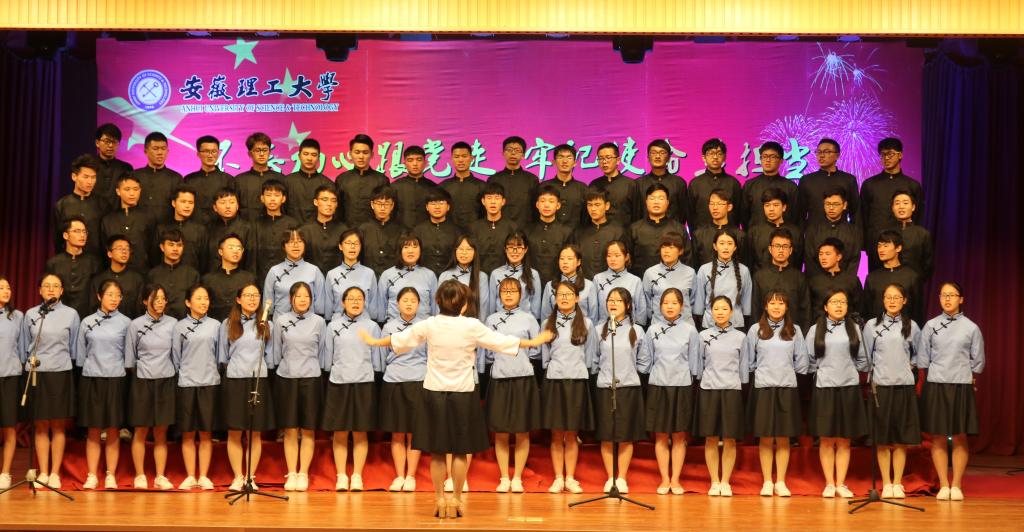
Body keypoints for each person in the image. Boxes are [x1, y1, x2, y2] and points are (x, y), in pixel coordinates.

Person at [359, 280, 554, 518]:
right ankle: (457, 499)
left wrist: (374, 342)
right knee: (460, 451)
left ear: (437, 301)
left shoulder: (430, 324)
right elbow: (501, 342)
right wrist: (533, 342)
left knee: (438, 452)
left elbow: (400, 339)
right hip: (463, 394)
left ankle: (440, 499)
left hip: (434, 393)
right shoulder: (471, 325)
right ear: (463, 305)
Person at [918, 282, 985, 501]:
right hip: (936, 384)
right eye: (943, 295)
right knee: (938, 436)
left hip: (961, 385)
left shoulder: (971, 327)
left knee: (959, 436)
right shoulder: (930, 325)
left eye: (952, 295)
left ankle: (956, 485)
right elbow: (923, 357)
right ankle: (944, 484)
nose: (947, 299)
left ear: (961, 299)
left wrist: (967, 373)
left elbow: (978, 360)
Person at [742, 291, 809, 497]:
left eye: (781, 303)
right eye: (772, 303)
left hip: (786, 387)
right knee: (765, 438)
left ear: (787, 307)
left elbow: (802, 361)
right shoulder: (755, 329)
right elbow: (749, 361)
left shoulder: (795, 330)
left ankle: (780, 481)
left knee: (783, 438)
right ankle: (767, 481)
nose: (776, 307)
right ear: (765, 306)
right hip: (763, 387)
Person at [806, 289, 869, 498]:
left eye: (843, 302)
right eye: (834, 302)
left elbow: (863, 359)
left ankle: (841, 483)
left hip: (849, 387)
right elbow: (809, 359)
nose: (839, 305)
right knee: (826, 438)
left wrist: (850, 371)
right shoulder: (816, 329)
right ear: (825, 307)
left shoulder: (854, 328)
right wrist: (823, 372)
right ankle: (829, 484)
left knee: (844, 439)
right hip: (824, 387)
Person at [21, 273, 81, 490]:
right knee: (40, 425)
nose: (51, 289)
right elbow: (24, 345)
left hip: (60, 372)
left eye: (56, 286)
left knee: (57, 425)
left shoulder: (71, 314)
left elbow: (75, 347)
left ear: (62, 291)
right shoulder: (31, 314)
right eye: (47, 285)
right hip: (37, 372)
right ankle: (43, 472)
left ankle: (55, 473)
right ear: (39, 290)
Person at [863, 283, 921, 499]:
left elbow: (919, 354)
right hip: (880, 387)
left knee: (900, 439)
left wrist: (909, 366)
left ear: (904, 300)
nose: (892, 301)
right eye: (888, 297)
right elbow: (866, 355)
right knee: (882, 439)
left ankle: (897, 482)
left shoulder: (912, 326)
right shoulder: (871, 325)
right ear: (883, 300)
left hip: (903, 386)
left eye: (897, 297)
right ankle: (886, 483)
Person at [483, 278, 542, 493]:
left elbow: (536, 350)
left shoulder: (528, 319)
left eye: (513, 291)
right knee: (500, 432)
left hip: (523, 379)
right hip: (499, 378)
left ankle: (517, 477)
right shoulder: (491, 319)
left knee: (521, 431)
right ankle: (504, 477)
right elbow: (488, 352)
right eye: (504, 291)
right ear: (499, 295)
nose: (508, 295)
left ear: (521, 295)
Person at [271, 282, 328, 492]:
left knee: (308, 429)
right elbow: (276, 351)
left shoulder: (319, 322)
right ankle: (292, 472)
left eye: (307, 296)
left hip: (311, 378)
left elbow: (323, 352)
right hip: (287, 377)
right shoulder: (280, 321)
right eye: (299, 296)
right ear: (291, 299)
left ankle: (303, 473)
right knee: (290, 429)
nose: (303, 299)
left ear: (311, 299)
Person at [541, 281, 597, 494]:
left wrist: (582, 370)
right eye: (560, 295)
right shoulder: (547, 322)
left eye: (568, 294)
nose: (564, 298)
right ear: (555, 299)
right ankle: (558, 478)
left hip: (577, 380)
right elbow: (545, 355)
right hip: (555, 380)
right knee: (557, 434)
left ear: (577, 298)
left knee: (572, 434)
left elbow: (590, 355)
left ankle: (571, 478)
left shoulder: (587, 323)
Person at [323, 287, 381, 492]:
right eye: (351, 299)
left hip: (364, 382)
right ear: (343, 302)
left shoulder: (372, 326)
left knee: (359, 431)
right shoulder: (333, 326)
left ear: (365, 302)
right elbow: (327, 357)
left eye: (359, 299)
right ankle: (341, 476)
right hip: (338, 382)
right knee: (339, 431)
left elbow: (377, 359)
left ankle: (357, 475)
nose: (355, 302)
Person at [218, 283, 275, 492]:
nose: (252, 299)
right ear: (238, 299)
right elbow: (223, 356)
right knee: (234, 432)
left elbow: (271, 355)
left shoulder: (267, 324)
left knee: (254, 433)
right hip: (235, 379)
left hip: (258, 379)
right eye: (248, 295)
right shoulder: (227, 323)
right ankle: (237, 477)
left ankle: (250, 477)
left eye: (256, 295)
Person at [75, 280, 131, 490]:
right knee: (93, 429)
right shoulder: (87, 321)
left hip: (116, 378)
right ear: (99, 296)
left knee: (113, 429)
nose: (114, 299)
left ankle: (110, 474)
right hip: (92, 378)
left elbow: (129, 355)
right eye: (110, 294)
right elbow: (80, 355)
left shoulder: (126, 322)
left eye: (118, 295)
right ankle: (92, 475)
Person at [594, 288, 650, 494]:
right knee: (607, 435)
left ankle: (622, 478)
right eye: (610, 300)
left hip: (628, 388)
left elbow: (644, 361)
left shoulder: (637, 330)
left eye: (618, 300)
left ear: (627, 305)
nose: (613, 303)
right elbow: (593, 359)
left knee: (626, 435)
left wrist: (629, 373)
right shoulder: (598, 329)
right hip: (605, 387)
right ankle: (610, 477)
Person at [645, 288, 700, 495]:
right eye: (666, 302)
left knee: (678, 435)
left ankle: (675, 479)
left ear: (682, 306)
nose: (670, 306)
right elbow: (648, 360)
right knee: (661, 435)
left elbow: (694, 361)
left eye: (674, 303)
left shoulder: (690, 330)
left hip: (681, 385)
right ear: (660, 306)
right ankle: (664, 479)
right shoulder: (652, 330)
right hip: (658, 384)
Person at [126, 284, 178, 490]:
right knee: (140, 430)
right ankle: (140, 475)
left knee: (161, 432)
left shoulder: (173, 323)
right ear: (144, 301)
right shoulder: (135, 324)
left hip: (166, 380)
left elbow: (176, 354)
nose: (159, 302)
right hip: (142, 380)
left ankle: (160, 476)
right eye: (155, 298)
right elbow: (130, 358)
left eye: (163, 298)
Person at [695, 296, 747, 497]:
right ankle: (714, 481)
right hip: (709, 389)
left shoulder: (740, 337)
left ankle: (725, 481)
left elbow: (744, 365)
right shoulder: (703, 335)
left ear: (731, 312)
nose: (720, 312)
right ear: (711, 312)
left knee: (729, 439)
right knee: (711, 438)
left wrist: (740, 383)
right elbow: (699, 363)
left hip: (731, 390)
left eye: (724, 308)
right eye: (716, 308)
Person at [378, 287, 427, 493]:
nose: (409, 304)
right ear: (397, 303)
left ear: (419, 304)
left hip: (418, 380)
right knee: (397, 432)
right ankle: (399, 476)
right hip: (394, 380)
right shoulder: (389, 326)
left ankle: (411, 476)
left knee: (414, 432)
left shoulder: (425, 326)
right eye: (405, 300)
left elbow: (431, 354)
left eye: (413, 301)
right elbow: (381, 355)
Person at [172, 285, 221, 490]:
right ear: (188, 302)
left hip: (209, 382)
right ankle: (191, 475)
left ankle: (204, 476)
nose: (203, 302)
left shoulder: (216, 325)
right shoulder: (179, 326)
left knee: (206, 433)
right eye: (199, 298)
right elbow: (176, 356)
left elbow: (219, 355)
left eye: (206, 298)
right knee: (188, 433)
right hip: (187, 382)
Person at [861, 137, 924, 270]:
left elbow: (918, 216)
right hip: (877, 245)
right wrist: (867, 244)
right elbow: (863, 216)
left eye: (890, 154)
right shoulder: (869, 184)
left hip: (904, 244)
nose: (886, 158)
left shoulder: (912, 185)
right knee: (877, 280)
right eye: (883, 154)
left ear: (900, 155)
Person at [751, 228, 811, 329]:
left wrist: (803, 334)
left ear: (790, 250)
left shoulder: (799, 277)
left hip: (793, 332)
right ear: (770, 249)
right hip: (765, 331)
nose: (781, 250)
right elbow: (755, 309)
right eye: (777, 246)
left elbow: (806, 310)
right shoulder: (759, 276)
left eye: (785, 246)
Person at [693, 229, 752, 330]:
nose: (726, 247)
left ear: (735, 247)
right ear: (715, 246)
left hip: (736, 325)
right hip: (710, 325)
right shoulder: (704, 270)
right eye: (722, 243)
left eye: (730, 243)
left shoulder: (744, 270)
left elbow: (746, 305)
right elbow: (698, 305)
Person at [53, 154, 106, 260]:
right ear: (74, 177)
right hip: (70, 261)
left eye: (93, 177)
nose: (90, 182)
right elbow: (58, 239)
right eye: (86, 177)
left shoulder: (103, 205)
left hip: (96, 262)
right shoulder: (62, 205)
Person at [376, 233, 438, 322]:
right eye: (406, 247)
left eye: (415, 247)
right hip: (394, 327)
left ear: (420, 250)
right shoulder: (387, 275)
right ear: (399, 251)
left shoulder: (430, 275)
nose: (410, 251)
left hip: (423, 327)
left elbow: (435, 308)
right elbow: (381, 308)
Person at [47, 216, 102, 317]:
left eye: (84, 232)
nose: (82, 235)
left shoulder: (94, 262)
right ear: (65, 235)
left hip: (87, 316)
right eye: (77, 231)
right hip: (59, 315)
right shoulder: (54, 263)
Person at [798, 138, 861, 227]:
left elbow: (855, 212)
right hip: (814, 232)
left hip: (842, 232)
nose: (821, 155)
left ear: (837, 155)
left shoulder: (848, 180)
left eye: (827, 152)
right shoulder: (806, 180)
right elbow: (800, 214)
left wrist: (854, 232)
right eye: (819, 152)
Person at [263, 230, 327, 317]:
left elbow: (320, 307)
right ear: (284, 246)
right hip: (280, 322)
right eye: (291, 242)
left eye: (300, 241)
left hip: (308, 322)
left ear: (304, 245)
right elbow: (267, 308)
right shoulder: (274, 271)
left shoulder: (314, 270)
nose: (296, 245)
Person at [629, 183, 687, 277]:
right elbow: (628, 259)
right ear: (646, 202)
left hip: (673, 280)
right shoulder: (634, 229)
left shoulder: (679, 228)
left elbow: (687, 259)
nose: (656, 202)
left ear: (667, 202)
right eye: (652, 198)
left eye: (661, 198)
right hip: (642, 280)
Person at [101, 174, 156, 272]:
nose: (132, 193)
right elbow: (104, 249)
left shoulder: (148, 217)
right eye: (127, 189)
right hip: (115, 272)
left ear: (140, 190)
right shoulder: (108, 219)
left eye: (136, 189)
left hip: (142, 271)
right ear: (118, 191)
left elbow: (153, 248)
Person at [803, 187, 863, 276]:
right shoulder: (813, 230)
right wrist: (820, 281)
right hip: (817, 281)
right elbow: (809, 260)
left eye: (836, 204)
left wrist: (844, 281)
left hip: (844, 281)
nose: (831, 208)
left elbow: (854, 260)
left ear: (844, 205)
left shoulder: (853, 232)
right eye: (828, 204)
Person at [251, 179, 301, 284]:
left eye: (277, 195)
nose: (272, 199)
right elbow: (252, 254)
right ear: (262, 198)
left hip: (288, 275)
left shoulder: (292, 223)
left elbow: (296, 251)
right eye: (268, 195)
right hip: (261, 276)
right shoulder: (255, 224)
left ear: (283, 199)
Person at [688, 138, 744, 229]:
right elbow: (690, 214)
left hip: (728, 234)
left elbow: (739, 213)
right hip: (702, 234)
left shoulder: (733, 183)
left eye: (719, 153)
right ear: (704, 157)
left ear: (724, 157)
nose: (715, 157)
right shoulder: (695, 184)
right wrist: (695, 234)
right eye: (711, 153)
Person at [742, 141, 801, 227]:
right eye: (764, 156)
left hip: (783, 233)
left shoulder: (790, 187)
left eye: (772, 157)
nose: (768, 160)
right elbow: (744, 216)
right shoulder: (750, 185)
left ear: (781, 161)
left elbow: (796, 216)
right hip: (756, 233)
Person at [643, 232, 696, 325]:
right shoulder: (650, 273)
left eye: (671, 247)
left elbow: (693, 300)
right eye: (663, 247)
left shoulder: (690, 272)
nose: (666, 251)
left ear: (680, 251)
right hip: (659, 324)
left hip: (685, 324)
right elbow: (647, 302)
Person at [336, 134, 389, 227]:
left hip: (374, 231)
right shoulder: (342, 179)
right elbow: (337, 209)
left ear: (372, 155)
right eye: (357, 152)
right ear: (350, 154)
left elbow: (387, 208)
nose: (361, 156)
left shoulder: (381, 180)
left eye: (365, 152)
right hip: (347, 232)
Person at [146, 228, 201, 319]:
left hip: (185, 322)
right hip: (159, 322)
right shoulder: (153, 274)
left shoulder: (192, 274)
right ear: (162, 247)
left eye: (179, 245)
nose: (175, 249)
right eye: (171, 245)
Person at [324, 229, 379, 320]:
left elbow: (373, 307)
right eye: (348, 243)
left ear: (360, 247)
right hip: (338, 323)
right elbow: (328, 307)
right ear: (340, 246)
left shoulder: (369, 273)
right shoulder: (331, 274)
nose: (352, 246)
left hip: (364, 323)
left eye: (356, 243)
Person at [202, 234, 257, 321]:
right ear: (221, 252)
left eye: (239, 248)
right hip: (215, 325)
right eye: (231, 247)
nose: (235, 251)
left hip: (242, 325)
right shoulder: (207, 280)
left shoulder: (249, 279)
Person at [0, 277, 23, 490]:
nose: (6, 291)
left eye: (8, 287)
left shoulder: (17, 316)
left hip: (10, 376)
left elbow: (22, 347)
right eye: (1, 288)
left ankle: (5, 473)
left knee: (9, 426)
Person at [489, 231, 543, 321]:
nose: (515, 251)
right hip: (500, 322)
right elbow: (491, 306)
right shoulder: (495, 274)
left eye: (519, 247)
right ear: (505, 249)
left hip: (525, 322)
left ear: (525, 250)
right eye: (511, 247)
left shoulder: (533, 274)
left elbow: (535, 308)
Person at [593, 240, 649, 326]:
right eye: (609, 256)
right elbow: (594, 307)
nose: (613, 259)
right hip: (604, 327)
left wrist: (637, 328)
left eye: (617, 255)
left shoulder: (635, 280)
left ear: (626, 257)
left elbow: (641, 309)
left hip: (629, 327)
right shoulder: (598, 279)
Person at [525, 185, 573, 285]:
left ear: (558, 205)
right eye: (542, 201)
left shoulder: (567, 232)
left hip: (557, 284)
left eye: (551, 201)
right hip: (530, 282)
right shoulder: (527, 231)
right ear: (537, 204)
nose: (546, 205)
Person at [808, 239, 864, 323]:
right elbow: (808, 309)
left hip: (847, 326)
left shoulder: (851, 279)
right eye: (820, 254)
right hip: (819, 326)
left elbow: (860, 307)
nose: (823, 257)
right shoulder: (813, 281)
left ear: (838, 257)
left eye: (827, 254)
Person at [467, 182, 518, 276]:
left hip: (506, 275)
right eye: (489, 198)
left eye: (497, 198)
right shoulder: (474, 227)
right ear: (483, 201)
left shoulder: (512, 226)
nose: (493, 202)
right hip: (479, 275)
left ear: (503, 201)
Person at [133, 132, 183, 224]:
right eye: (155, 149)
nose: (160, 153)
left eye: (163, 149)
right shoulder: (134, 176)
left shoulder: (176, 178)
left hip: (166, 228)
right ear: (145, 151)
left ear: (167, 151)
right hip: (138, 226)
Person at [489, 136, 539, 228]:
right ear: (503, 153)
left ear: (523, 155)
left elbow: (536, 208)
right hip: (499, 228)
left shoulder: (532, 179)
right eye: (509, 150)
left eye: (517, 150)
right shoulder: (494, 179)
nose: (513, 153)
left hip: (525, 229)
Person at [155, 185, 208, 271]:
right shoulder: (161, 229)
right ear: (174, 203)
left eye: (191, 202)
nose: (187, 206)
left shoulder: (200, 230)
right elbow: (154, 258)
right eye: (183, 202)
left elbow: (204, 260)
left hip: (192, 276)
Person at [635, 139, 687, 226]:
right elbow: (636, 212)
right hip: (644, 231)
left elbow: (683, 212)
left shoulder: (678, 183)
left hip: (672, 231)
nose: (657, 156)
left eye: (662, 153)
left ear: (669, 158)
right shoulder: (638, 184)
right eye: (653, 153)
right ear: (648, 157)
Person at [90, 236, 145, 318]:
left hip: (130, 324)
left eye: (127, 249)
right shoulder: (98, 279)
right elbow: (93, 309)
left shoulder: (137, 279)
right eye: (120, 248)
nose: (124, 252)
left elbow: (140, 310)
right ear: (109, 254)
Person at [183, 135, 233, 226]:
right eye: (206, 151)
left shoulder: (228, 179)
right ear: (198, 154)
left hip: (220, 228)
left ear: (218, 153)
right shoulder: (188, 180)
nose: (210, 155)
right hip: (193, 227)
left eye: (214, 151)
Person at [235, 132, 285, 222]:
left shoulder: (281, 178)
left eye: (265, 150)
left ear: (269, 152)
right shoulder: (239, 180)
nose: (262, 154)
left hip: (275, 226)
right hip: (247, 227)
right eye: (257, 150)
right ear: (250, 154)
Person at [358, 185, 407, 277]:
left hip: (394, 278)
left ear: (392, 206)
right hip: (368, 278)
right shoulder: (363, 230)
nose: (382, 208)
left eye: (386, 204)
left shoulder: (401, 230)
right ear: (372, 205)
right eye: (379, 203)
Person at [541, 244, 599, 321]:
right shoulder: (550, 286)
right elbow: (545, 317)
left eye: (569, 259)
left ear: (578, 262)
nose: (565, 262)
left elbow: (593, 317)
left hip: (581, 327)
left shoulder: (589, 286)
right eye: (562, 258)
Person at [298, 185, 348, 274]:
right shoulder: (304, 230)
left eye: (333, 200)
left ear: (336, 204)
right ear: (316, 202)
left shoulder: (344, 231)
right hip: (309, 278)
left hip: (337, 278)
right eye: (325, 199)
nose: (329, 204)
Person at [691, 188, 746, 268]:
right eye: (712, 204)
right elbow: (694, 264)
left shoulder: (740, 235)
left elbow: (743, 264)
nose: (715, 207)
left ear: (729, 207)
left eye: (719, 204)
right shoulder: (699, 234)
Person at [437, 235, 489, 320]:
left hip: (472, 324)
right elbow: (438, 306)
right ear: (455, 251)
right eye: (461, 249)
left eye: (468, 249)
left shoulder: (482, 277)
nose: (464, 252)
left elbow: (483, 307)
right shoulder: (445, 275)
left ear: (475, 252)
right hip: (448, 324)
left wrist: (479, 325)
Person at [204, 188, 254, 274]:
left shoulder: (247, 228)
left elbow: (251, 260)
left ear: (237, 206)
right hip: (213, 277)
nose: (228, 206)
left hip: (239, 277)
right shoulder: (208, 228)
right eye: (223, 202)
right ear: (215, 208)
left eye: (232, 202)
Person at [412, 187, 461, 276]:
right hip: (423, 276)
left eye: (441, 203)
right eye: (433, 203)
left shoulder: (457, 231)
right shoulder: (418, 231)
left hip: (451, 277)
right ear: (427, 207)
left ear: (448, 207)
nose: (437, 207)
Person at [283, 138, 332, 224]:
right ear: (299, 156)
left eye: (314, 155)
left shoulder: (327, 183)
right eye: (306, 154)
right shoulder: (287, 181)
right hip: (292, 230)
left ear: (318, 158)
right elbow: (282, 210)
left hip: (318, 230)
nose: (309, 158)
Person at [439, 141, 486, 230]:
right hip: (449, 233)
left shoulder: (482, 186)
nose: (460, 160)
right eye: (457, 157)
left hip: (476, 233)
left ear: (471, 158)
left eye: (464, 156)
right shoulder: (443, 186)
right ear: (452, 159)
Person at [589, 142, 637, 226]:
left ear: (618, 160)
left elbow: (637, 214)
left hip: (624, 232)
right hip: (599, 231)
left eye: (608, 157)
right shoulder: (594, 185)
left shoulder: (630, 184)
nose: (604, 162)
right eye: (601, 158)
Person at [542, 144, 587, 230]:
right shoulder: (544, 187)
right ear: (554, 162)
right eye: (560, 157)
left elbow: (586, 217)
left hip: (575, 235)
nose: (565, 161)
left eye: (569, 157)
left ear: (575, 163)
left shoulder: (583, 188)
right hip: (549, 233)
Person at [391, 145, 437, 229]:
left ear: (425, 162)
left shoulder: (434, 187)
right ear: (404, 163)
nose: (415, 164)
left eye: (419, 160)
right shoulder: (395, 186)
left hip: (427, 232)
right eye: (410, 160)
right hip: (400, 233)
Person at [93, 123, 134, 208]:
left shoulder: (126, 168)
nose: (111, 145)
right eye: (107, 141)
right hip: (92, 214)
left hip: (118, 215)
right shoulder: (89, 166)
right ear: (97, 143)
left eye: (114, 142)